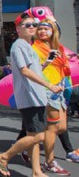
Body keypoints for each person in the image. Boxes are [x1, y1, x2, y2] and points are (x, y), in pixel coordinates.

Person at [0, 13, 63, 177]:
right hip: (29, 97)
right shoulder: (18, 46)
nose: (32, 27)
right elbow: (24, 71)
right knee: (38, 136)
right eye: (28, 25)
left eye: (34, 24)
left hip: (38, 97)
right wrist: (49, 85)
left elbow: (34, 69)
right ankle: (4, 157)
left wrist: (46, 62)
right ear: (18, 30)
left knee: (34, 137)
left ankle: (36, 171)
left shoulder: (28, 46)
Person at [33, 19, 72, 173]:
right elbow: (34, 73)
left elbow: (63, 67)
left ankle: (27, 145)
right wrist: (48, 61)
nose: (42, 31)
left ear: (53, 31)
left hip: (60, 88)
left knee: (61, 127)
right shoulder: (35, 48)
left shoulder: (59, 48)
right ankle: (49, 161)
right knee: (52, 127)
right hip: (47, 90)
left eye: (45, 29)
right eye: (40, 29)